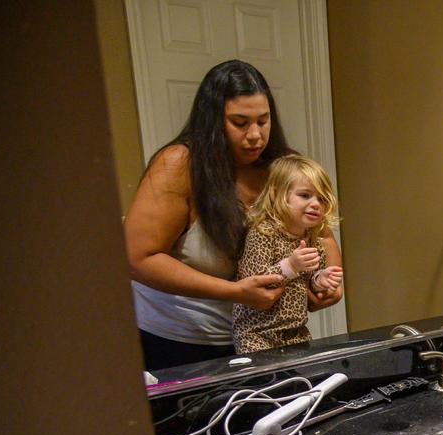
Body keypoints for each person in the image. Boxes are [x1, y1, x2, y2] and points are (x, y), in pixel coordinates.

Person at [125, 60, 343, 371]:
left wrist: (329, 282)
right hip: (180, 344)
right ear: (212, 122)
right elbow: (138, 257)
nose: (255, 135)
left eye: (263, 121)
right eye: (240, 123)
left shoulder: (282, 167)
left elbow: (320, 231)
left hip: (271, 339)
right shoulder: (178, 165)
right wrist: (236, 293)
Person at [232, 155, 343, 353]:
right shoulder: (263, 232)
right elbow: (254, 282)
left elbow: (309, 280)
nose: (316, 204)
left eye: (322, 198)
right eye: (305, 195)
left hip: (295, 331)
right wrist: (291, 266)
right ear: (277, 195)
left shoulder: (313, 238)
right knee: (269, 382)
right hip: (257, 334)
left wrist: (320, 279)